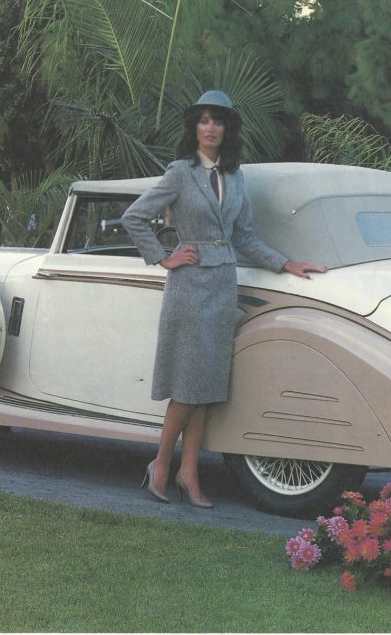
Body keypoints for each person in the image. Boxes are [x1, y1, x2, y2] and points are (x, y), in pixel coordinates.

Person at [121, 90, 326, 508]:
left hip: (222, 288)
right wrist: (164, 257)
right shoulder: (180, 172)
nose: (211, 127)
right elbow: (134, 217)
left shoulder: (235, 176)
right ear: (194, 127)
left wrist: (286, 263)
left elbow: (245, 236)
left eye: (218, 121)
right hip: (189, 286)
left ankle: (189, 472)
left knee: (208, 388)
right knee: (187, 386)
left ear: (227, 129)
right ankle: (161, 465)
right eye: (204, 120)